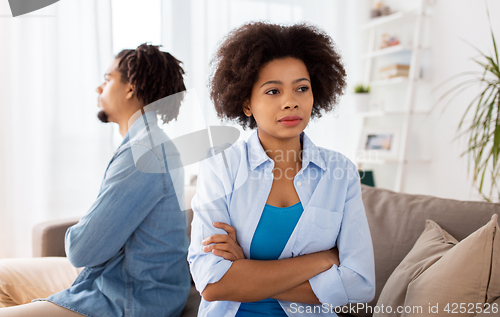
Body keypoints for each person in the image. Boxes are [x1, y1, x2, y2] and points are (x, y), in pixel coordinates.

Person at [188, 22, 376, 317]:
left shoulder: (340, 171)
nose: (291, 102)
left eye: (302, 88)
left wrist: (245, 274)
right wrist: (323, 260)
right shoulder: (220, 167)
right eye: (273, 91)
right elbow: (211, 282)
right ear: (247, 103)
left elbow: (360, 285)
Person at [0, 43, 191, 317]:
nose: (98, 88)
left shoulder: (144, 152)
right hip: (112, 278)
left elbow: (81, 250)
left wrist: (85, 231)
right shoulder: (145, 142)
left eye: (107, 79)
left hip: (128, 298)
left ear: (130, 87)